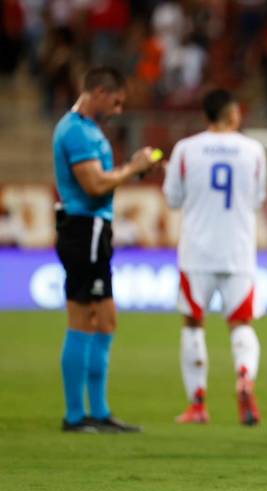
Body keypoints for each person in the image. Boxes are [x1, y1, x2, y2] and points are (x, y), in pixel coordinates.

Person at [53, 66, 158, 433]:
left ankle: (97, 411)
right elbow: (95, 184)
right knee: (84, 318)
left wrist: (132, 170)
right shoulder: (77, 131)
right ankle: (75, 416)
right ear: (98, 91)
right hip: (85, 230)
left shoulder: (88, 130)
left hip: (93, 230)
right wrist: (133, 168)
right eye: (115, 101)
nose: (117, 109)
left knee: (106, 319)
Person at [163, 89, 267, 426]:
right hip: (238, 251)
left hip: (197, 252)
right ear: (233, 115)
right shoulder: (253, 149)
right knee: (241, 323)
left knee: (194, 324)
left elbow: (173, 199)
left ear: (206, 117)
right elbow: (257, 198)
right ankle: (244, 376)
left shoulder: (185, 149)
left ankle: (197, 404)